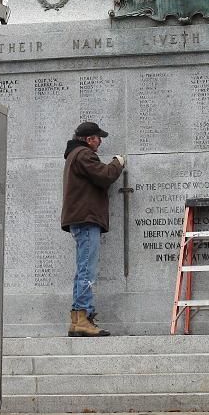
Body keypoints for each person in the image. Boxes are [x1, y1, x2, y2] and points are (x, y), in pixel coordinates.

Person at [61, 121, 125, 337]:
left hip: (82, 219)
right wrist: (118, 163)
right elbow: (105, 175)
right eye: (98, 138)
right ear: (89, 139)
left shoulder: (74, 155)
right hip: (86, 219)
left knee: (83, 269)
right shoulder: (84, 155)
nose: (100, 142)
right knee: (87, 271)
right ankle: (82, 317)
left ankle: (79, 318)